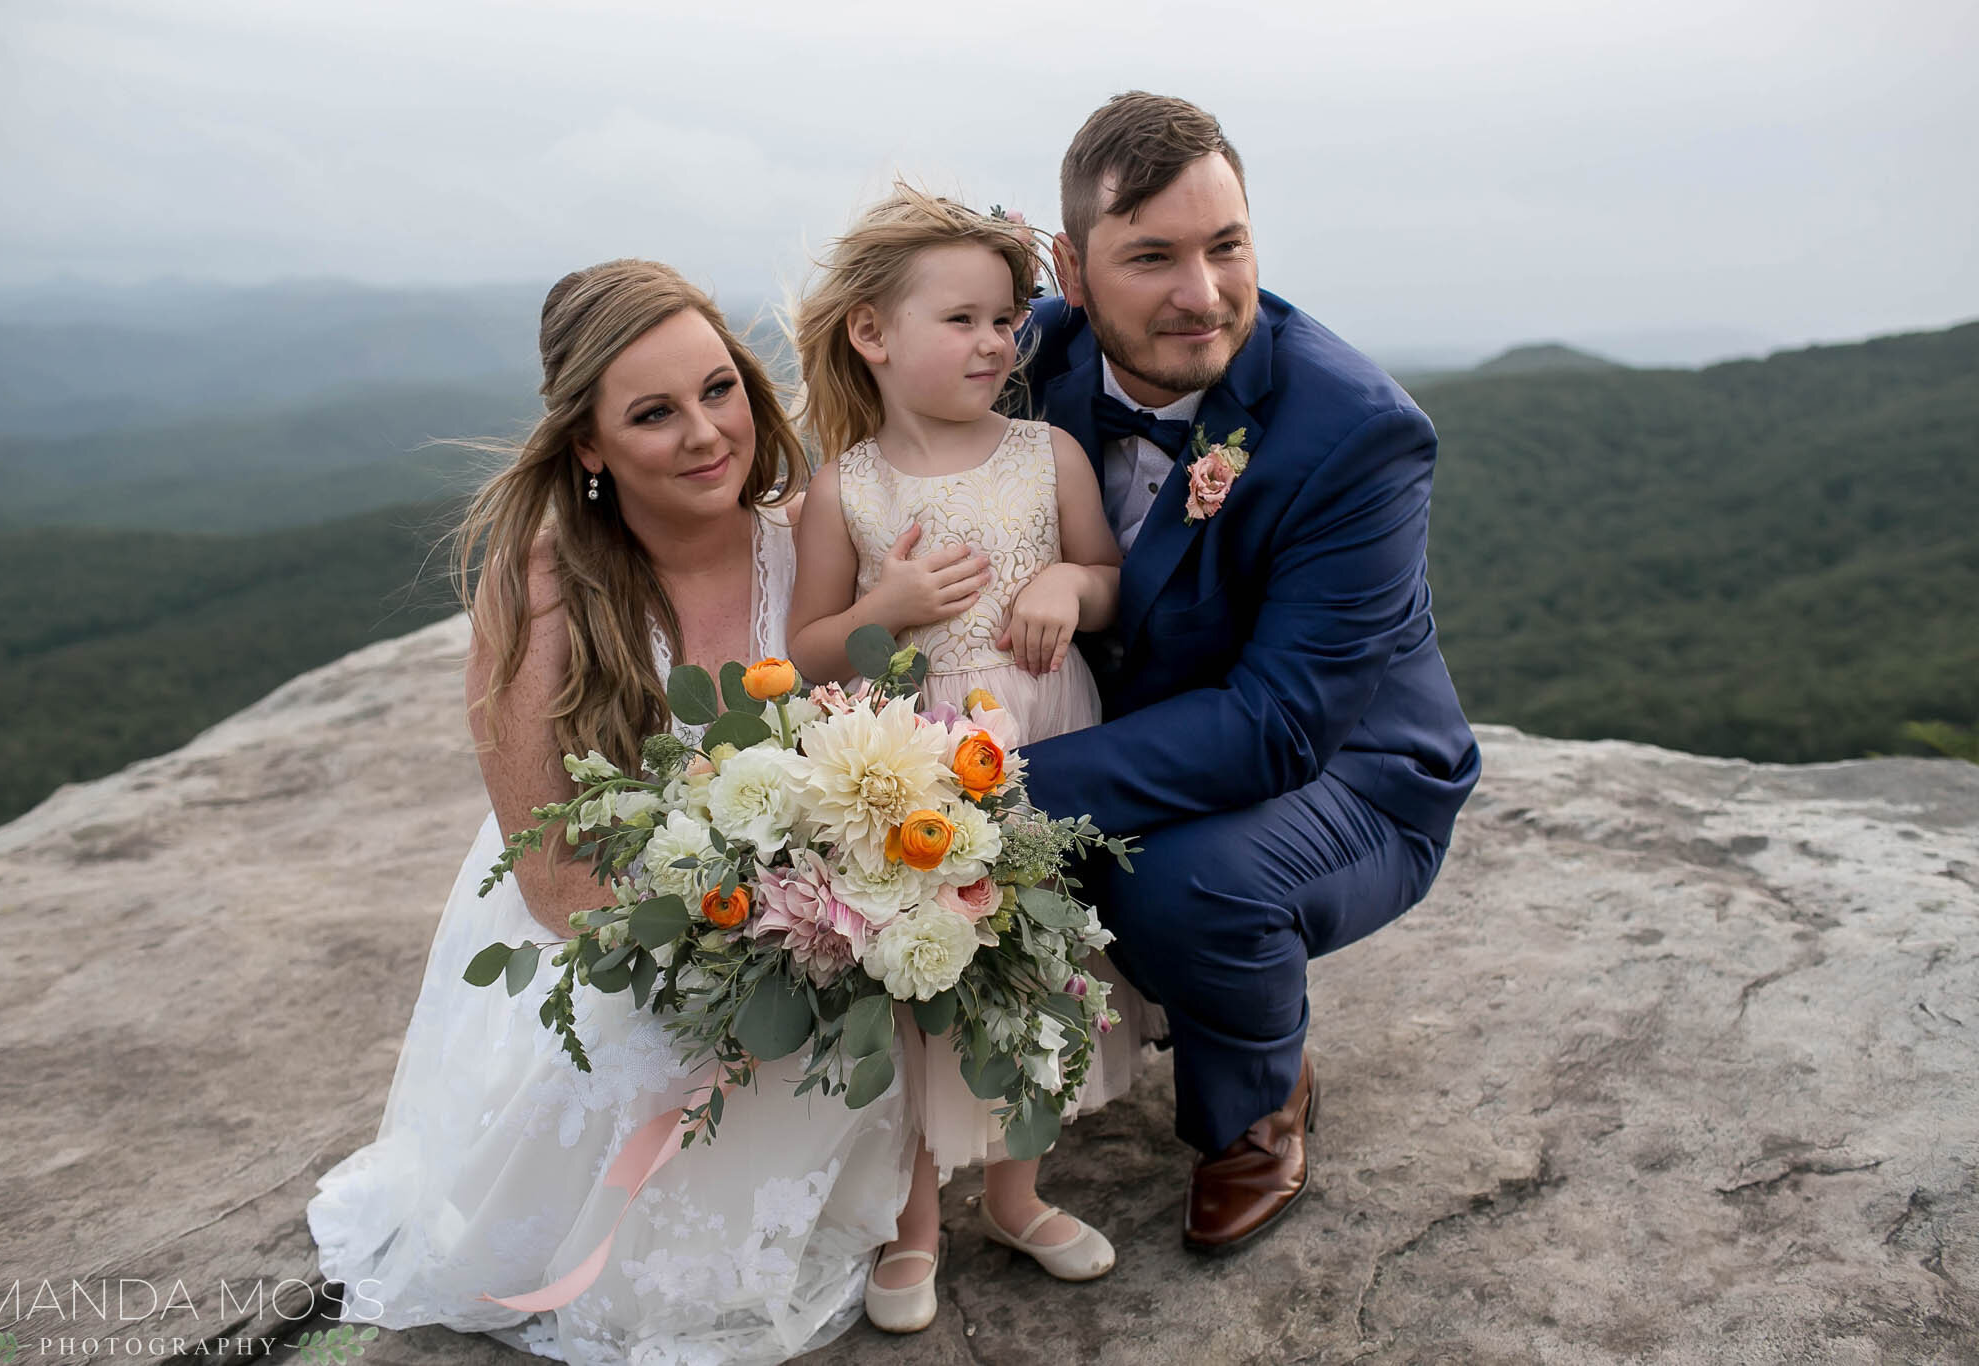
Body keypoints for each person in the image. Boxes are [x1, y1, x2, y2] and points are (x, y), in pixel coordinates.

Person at [306, 260, 918, 1365]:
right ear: (588, 446)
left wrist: (837, 906)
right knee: (639, 1066)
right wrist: (739, 943)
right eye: (652, 413)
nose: (704, 433)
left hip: (808, 923)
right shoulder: (543, 587)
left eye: (718, 388)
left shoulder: (810, 541)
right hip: (610, 931)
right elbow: (549, 877)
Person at [1010, 93, 1484, 1255]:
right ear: (1070, 270)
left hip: (1354, 773)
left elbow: (1279, 725)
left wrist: (993, 790)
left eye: (1226, 246)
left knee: (1175, 883)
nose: (1203, 293)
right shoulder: (1025, 349)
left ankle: (1257, 1106)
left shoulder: (1357, 434)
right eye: (1152, 257)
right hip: (1150, 721)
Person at [786, 186, 1162, 1331]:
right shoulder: (841, 486)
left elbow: (1107, 582)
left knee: (1038, 973)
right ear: (871, 333)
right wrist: (885, 608)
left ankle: (1017, 1192)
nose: (996, 342)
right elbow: (802, 653)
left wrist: (1064, 580)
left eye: (1005, 319)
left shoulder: (1044, 452)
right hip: (911, 769)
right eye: (961, 320)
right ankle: (914, 1222)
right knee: (919, 987)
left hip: (1047, 747)